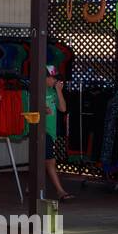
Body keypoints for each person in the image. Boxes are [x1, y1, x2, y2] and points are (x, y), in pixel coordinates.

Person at [43, 65, 72, 201]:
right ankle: (60, 191)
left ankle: (29, 186)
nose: (55, 81)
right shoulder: (37, 90)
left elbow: (63, 108)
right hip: (42, 131)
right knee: (50, 161)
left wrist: (59, 90)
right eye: (53, 78)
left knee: (41, 161)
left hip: (51, 131)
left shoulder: (53, 91)